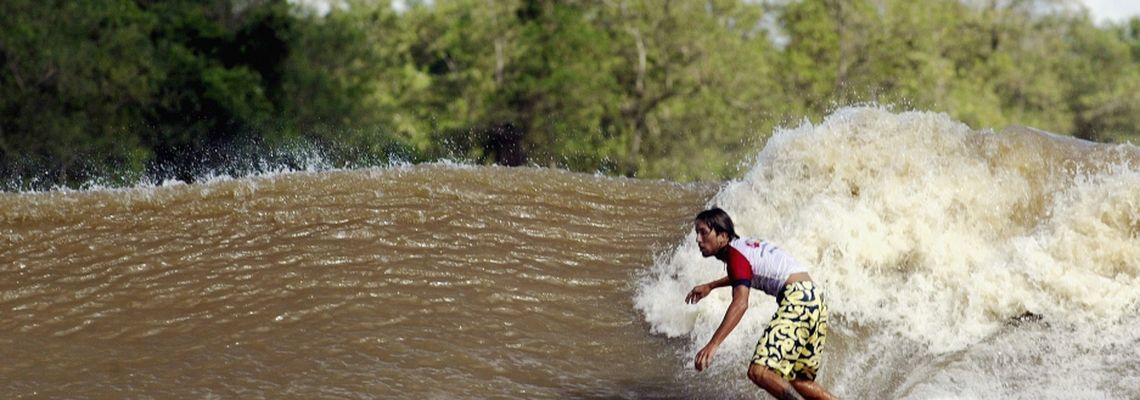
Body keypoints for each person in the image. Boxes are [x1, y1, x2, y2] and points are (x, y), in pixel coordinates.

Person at [685, 208, 837, 400]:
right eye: (696, 233)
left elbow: (740, 303)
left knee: (759, 371)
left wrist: (713, 344)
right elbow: (746, 274)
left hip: (798, 299)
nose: (698, 239)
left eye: (703, 232)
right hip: (814, 298)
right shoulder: (742, 248)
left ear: (722, 236)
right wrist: (711, 285)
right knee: (800, 381)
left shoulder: (735, 255)